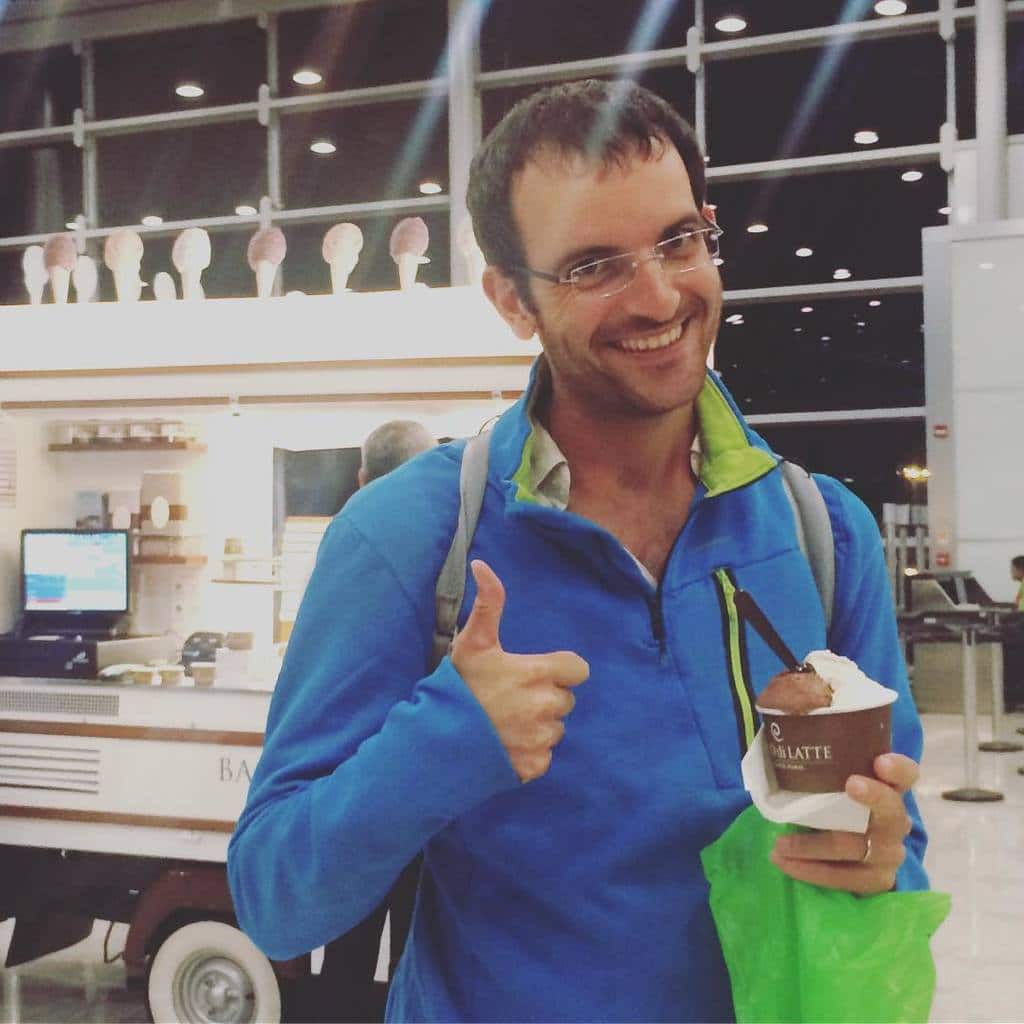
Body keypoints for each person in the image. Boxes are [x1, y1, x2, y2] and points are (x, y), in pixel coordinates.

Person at [229, 80, 929, 1022]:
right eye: (595, 265)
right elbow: (275, 900)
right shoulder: (410, 536)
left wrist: (882, 857)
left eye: (679, 241)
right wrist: (446, 741)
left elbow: (895, 841)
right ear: (511, 299)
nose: (659, 296)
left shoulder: (821, 533)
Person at [315, 420, 436, 1022]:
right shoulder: (451, 534)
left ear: (363, 476)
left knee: (347, 948)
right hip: (421, 787)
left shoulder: (347, 536)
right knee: (416, 946)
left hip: (354, 785)